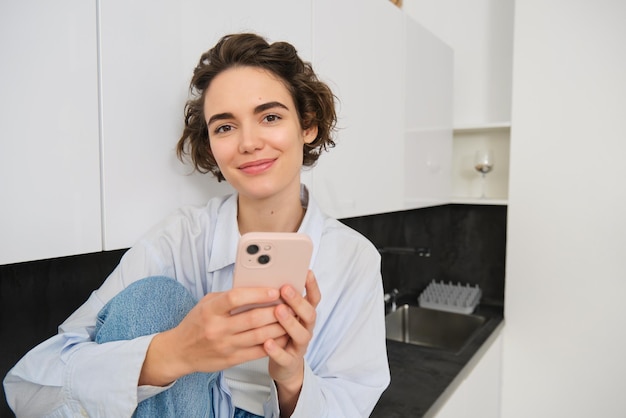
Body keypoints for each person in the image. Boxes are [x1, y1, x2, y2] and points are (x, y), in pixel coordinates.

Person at [4, 33, 390, 417]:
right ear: (210, 145)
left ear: (307, 126)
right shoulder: (179, 239)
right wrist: (174, 353)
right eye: (225, 127)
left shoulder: (352, 259)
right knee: (153, 300)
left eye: (269, 117)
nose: (249, 142)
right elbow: (28, 391)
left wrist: (291, 379)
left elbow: (352, 404)